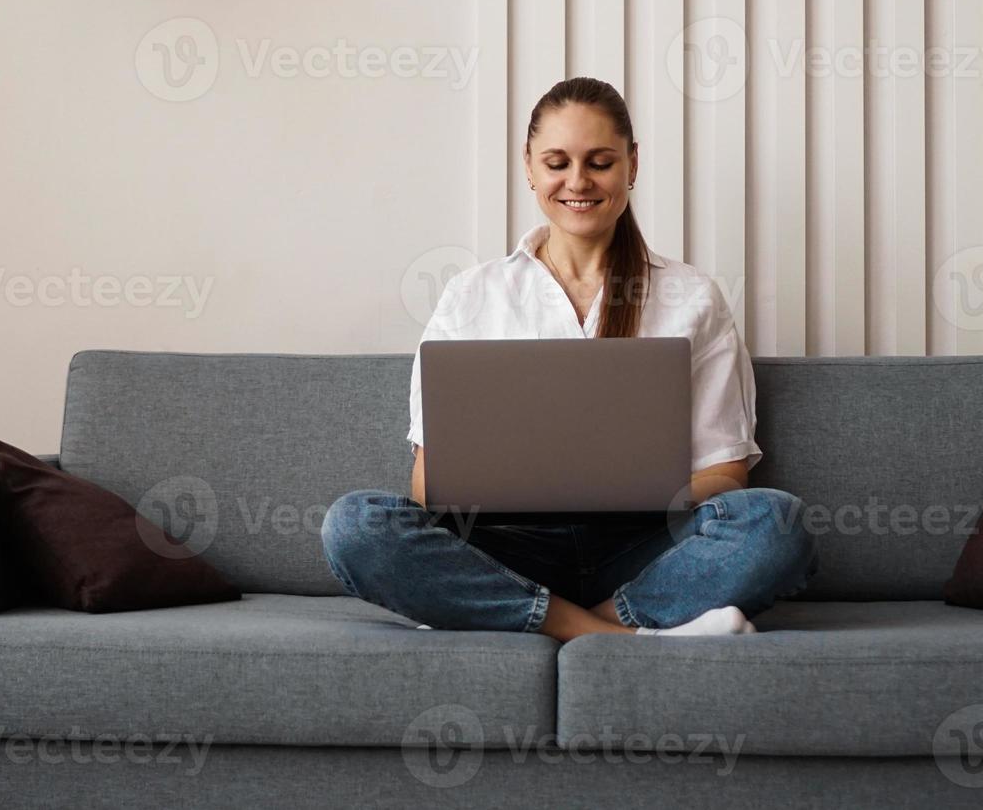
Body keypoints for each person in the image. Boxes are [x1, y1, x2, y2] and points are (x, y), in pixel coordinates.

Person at [321, 77, 816, 643]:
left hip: (642, 547)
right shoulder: (472, 296)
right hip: (505, 545)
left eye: (599, 162)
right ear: (528, 168)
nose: (577, 182)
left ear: (632, 165)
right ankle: (620, 634)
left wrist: (632, 488)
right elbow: (428, 483)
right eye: (556, 162)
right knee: (357, 526)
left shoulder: (693, 297)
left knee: (777, 523)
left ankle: (517, 615)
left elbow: (727, 472)